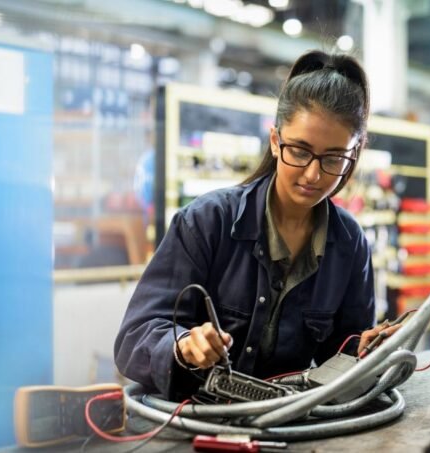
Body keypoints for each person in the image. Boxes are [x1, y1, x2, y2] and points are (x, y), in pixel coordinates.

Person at [114, 50, 400, 401]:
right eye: (300, 151)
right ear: (276, 140)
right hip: (195, 419)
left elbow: (339, 356)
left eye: (333, 158)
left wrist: (364, 351)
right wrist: (183, 345)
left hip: (285, 422)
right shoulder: (207, 222)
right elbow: (134, 337)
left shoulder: (350, 243)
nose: (313, 174)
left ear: (353, 156)